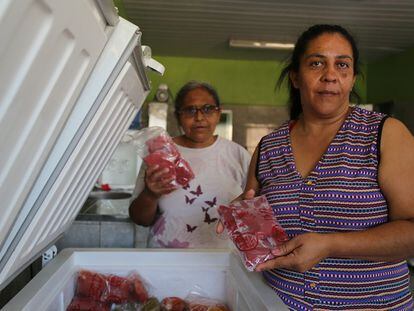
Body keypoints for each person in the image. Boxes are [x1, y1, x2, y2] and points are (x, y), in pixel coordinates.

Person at [227, 24, 414, 310]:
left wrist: (331, 244)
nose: (330, 75)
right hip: (279, 302)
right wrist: (242, 217)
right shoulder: (268, 147)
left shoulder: (385, 134)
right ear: (295, 77)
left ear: (352, 79)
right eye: (316, 63)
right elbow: (259, 233)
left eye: (342, 65)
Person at [129, 81, 251, 248]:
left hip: (222, 263)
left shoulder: (238, 156)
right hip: (166, 262)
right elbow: (139, 219)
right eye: (190, 110)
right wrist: (150, 195)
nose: (199, 117)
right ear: (178, 116)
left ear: (218, 113)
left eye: (208, 109)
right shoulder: (161, 154)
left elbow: (253, 212)